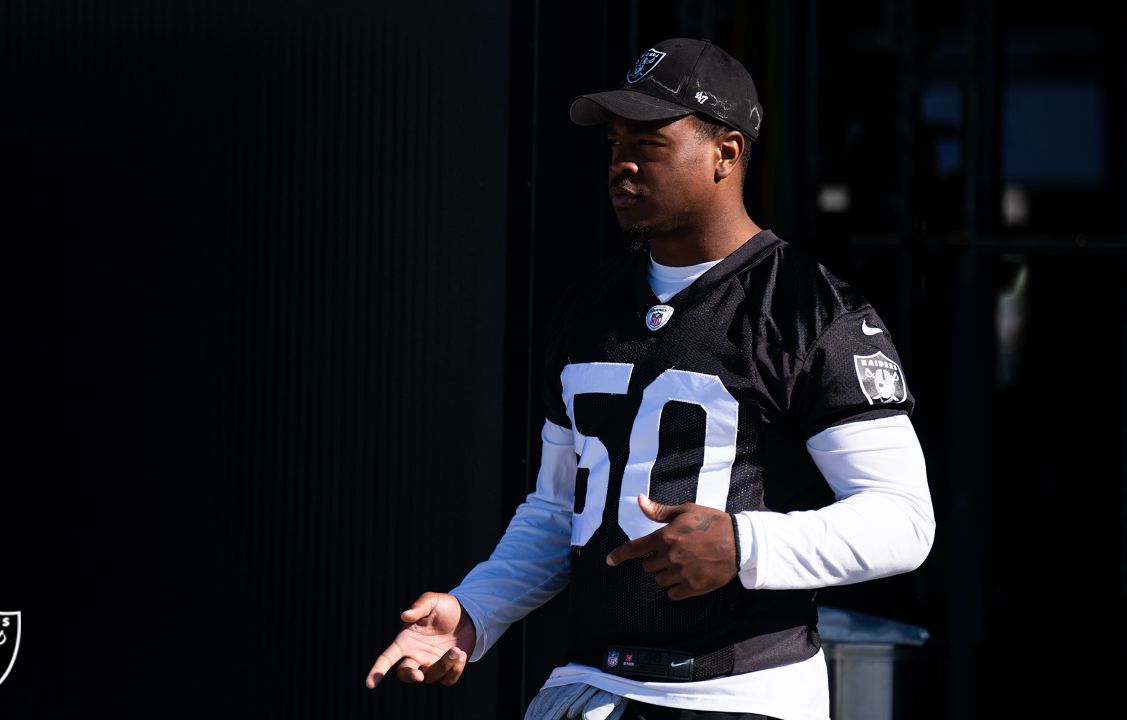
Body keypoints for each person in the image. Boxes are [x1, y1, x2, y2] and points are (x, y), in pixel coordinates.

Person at [365, 37, 935, 720]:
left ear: (725, 153)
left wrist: (743, 544)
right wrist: (474, 610)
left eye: (650, 142)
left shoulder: (811, 310)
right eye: (613, 144)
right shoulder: (588, 308)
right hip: (593, 685)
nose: (622, 163)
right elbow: (557, 512)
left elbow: (902, 522)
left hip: (744, 693)